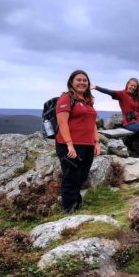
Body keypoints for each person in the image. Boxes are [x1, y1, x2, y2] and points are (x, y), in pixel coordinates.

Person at [55, 70, 101, 212]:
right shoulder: (66, 99)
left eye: (85, 80)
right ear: (71, 82)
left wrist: (96, 142)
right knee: (71, 176)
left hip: (87, 145)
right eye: (78, 80)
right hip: (69, 145)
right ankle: (68, 209)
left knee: (82, 176)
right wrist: (70, 145)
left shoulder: (87, 101)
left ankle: (77, 204)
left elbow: (92, 123)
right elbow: (62, 124)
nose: (82, 82)